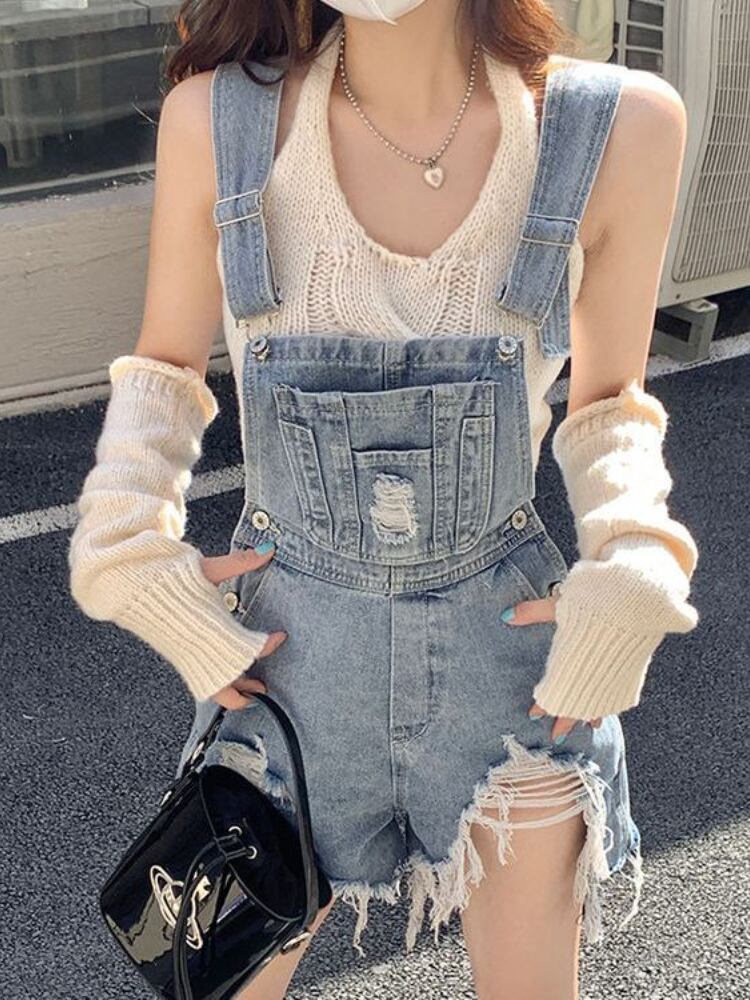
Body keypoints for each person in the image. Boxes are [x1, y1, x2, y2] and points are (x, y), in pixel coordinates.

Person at [67, 1, 700, 997]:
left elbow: (610, 403)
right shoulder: (217, 122)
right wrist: (123, 542)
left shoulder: (617, 127)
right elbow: (165, 372)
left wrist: (633, 556)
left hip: (511, 681)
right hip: (286, 674)